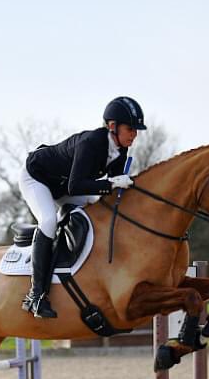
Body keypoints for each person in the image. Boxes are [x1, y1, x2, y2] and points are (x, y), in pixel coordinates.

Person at [18, 96, 146, 318]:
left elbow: (112, 190)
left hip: (63, 187)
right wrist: (112, 183)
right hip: (37, 178)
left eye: (136, 130)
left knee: (96, 214)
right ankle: (36, 296)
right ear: (113, 126)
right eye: (130, 129)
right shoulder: (90, 143)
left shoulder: (120, 151)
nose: (134, 135)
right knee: (48, 220)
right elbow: (76, 185)